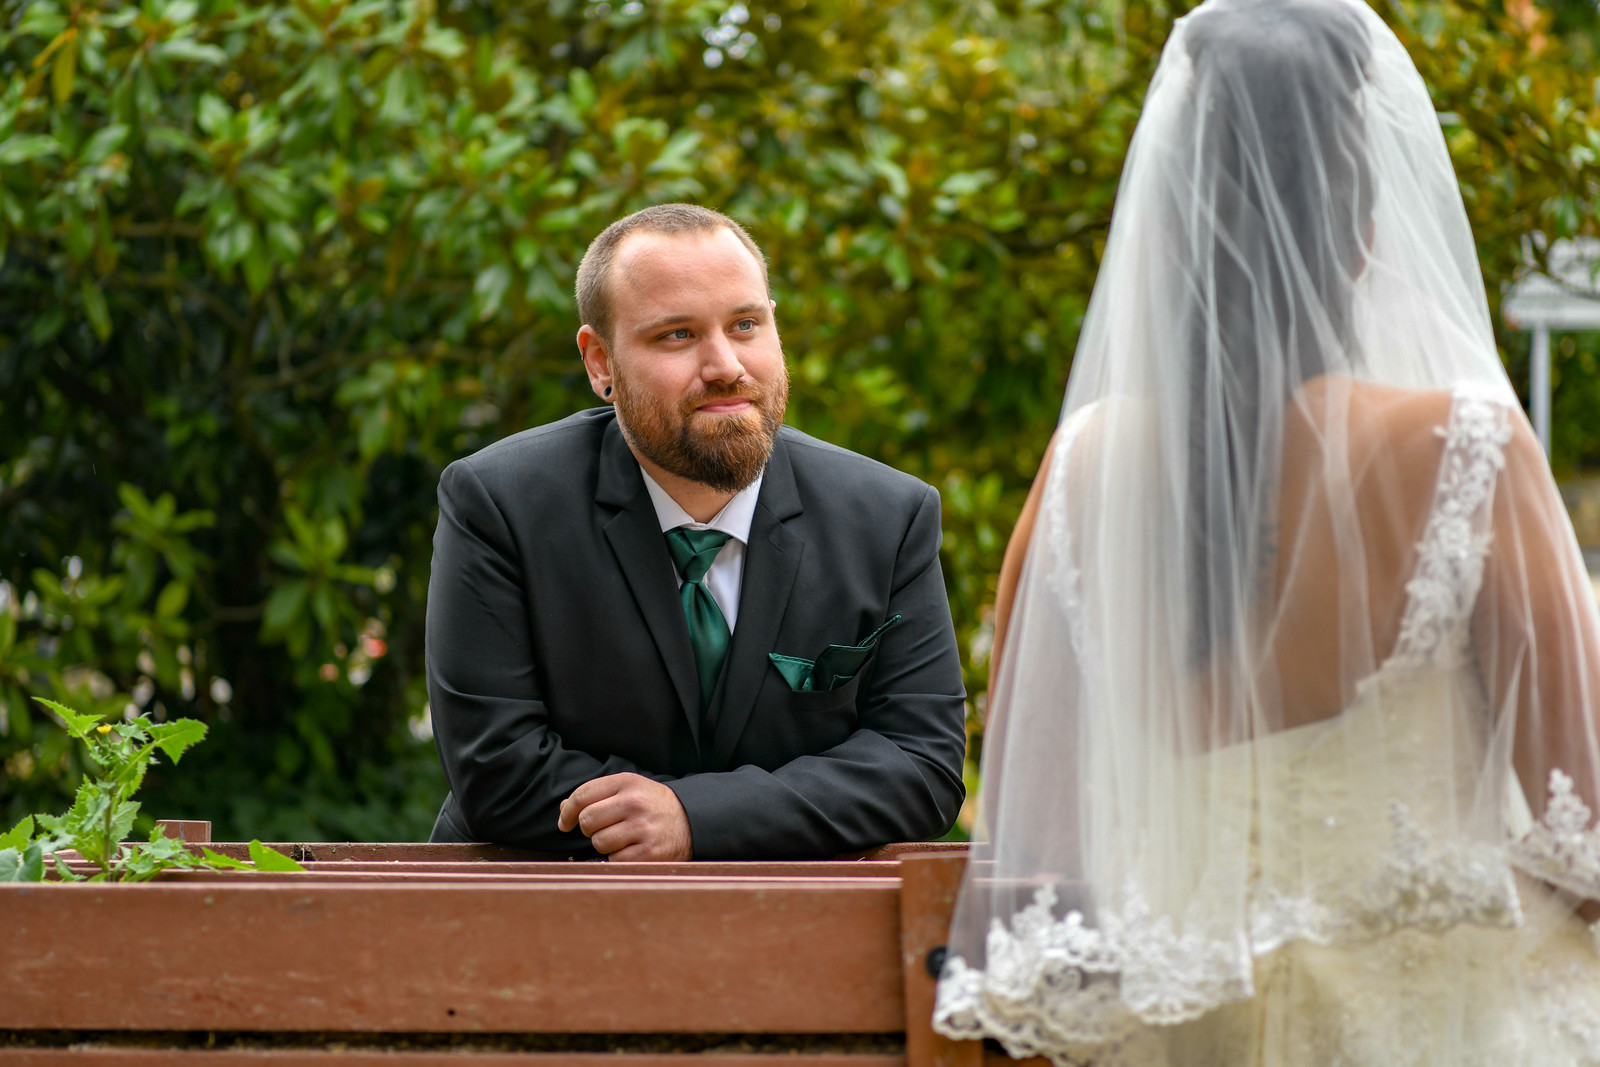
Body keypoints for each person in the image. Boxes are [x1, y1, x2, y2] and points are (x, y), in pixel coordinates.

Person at [933, 0, 1600, 1062]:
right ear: (1368, 234)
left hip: (1178, 1033)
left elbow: (1038, 859)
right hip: (1432, 1026)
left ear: (1160, 234)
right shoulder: (1464, 448)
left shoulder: (1082, 471)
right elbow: (1586, 834)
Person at [424, 203, 967, 861]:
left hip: (799, 933)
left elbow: (922, 764)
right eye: (677, 335)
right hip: (542, 919)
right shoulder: (499, 503)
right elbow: (497, 769)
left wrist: (696, 817)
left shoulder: (890, 516)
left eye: (745, 325)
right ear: (600, 362)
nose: (725, 365)